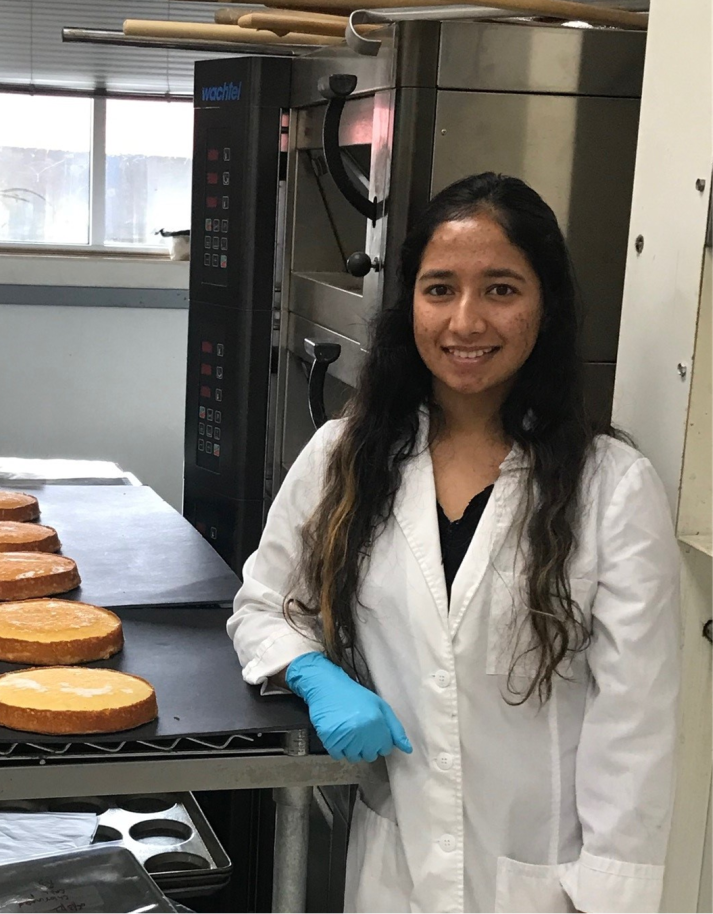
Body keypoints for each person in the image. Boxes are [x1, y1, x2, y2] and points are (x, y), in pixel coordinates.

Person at [227, 173, 680, 914]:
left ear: (546, 305)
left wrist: (609, 897)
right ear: (409, 304)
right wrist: (312, 670)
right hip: (393, 872)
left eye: (500, 289)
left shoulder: (612, 488)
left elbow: (636, 728)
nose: (465, 321)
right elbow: (262, 605)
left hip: (547, 885)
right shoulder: (345, 455)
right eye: (439, 289)